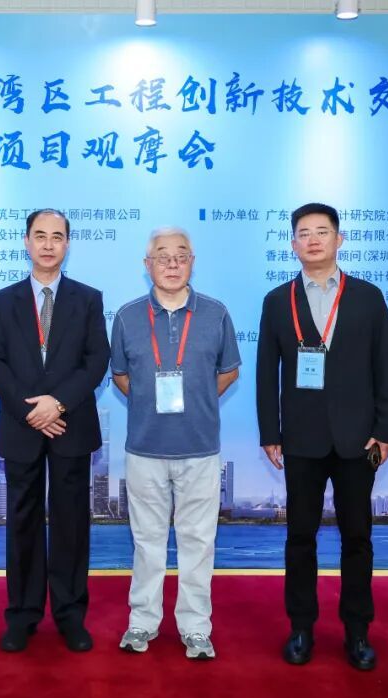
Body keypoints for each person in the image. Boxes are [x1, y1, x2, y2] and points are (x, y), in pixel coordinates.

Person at [256, 202, 388, 671]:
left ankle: (357, 631)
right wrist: (270, 432)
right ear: (293, 244)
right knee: (300, 537)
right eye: (304, 233)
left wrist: (385, 429)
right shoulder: (277, 301)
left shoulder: (368, 298)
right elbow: (266, 373)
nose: (313, 239)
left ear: (339, 240)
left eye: (322, 231)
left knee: (358, 537)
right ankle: (301, 628)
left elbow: (384, 368)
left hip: (358, 440)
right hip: (301, 439)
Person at [0, 209, 110, 653]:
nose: (49, 244)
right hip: (22, 426)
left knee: (72, 524)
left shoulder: (88, 299)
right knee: (22, 523)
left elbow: (97, 359)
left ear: (68, 244)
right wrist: (30, 409)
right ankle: (22, 615)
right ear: (26, 242)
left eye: (57, 237)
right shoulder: (3, 301)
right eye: (40, 236)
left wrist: (58, 403)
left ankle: (71, 615)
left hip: (70, 423)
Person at [110, 227, 240, 660]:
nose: (171, 263)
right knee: (146, 542)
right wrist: (151, 402)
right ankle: (142, 622)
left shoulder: (216, 314)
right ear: (147, 265)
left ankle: (196, 628)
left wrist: (195, 401)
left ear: (192, 262)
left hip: (200, 449)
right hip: (144, 448)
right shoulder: (127, 316)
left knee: (198, 543)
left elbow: (228, 372)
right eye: (162, 256)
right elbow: (121, 376)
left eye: (180, 255)